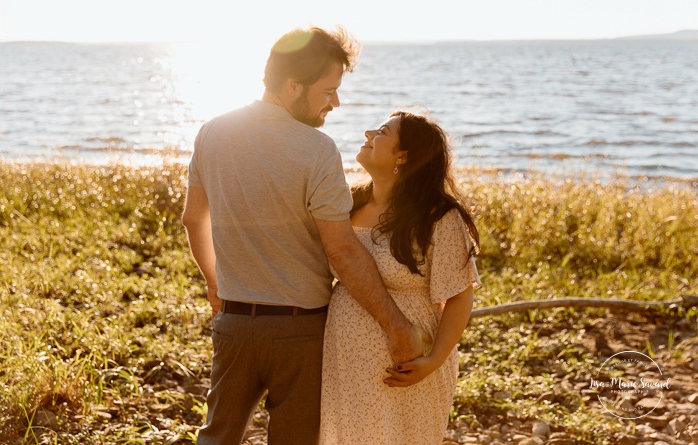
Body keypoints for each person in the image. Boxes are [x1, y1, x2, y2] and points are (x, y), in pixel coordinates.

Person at [182, 26, 426, 445]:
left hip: (235, 323)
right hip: (300, 331)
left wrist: (215, 283)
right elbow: (342, 251)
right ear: (293, 84)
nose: (336, 101)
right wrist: (397, 326)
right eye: (328, 90)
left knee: (216, 437)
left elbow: (192, 219)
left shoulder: (212, 131)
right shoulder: (316, 149)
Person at [320, 111, 482, 445]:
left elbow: (460, 296)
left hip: (408, 362)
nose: (367, 133)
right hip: (344, 358)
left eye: (380, 132)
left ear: (402, 156)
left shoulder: (439, 216)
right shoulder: (347, 203)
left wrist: (434, 360)